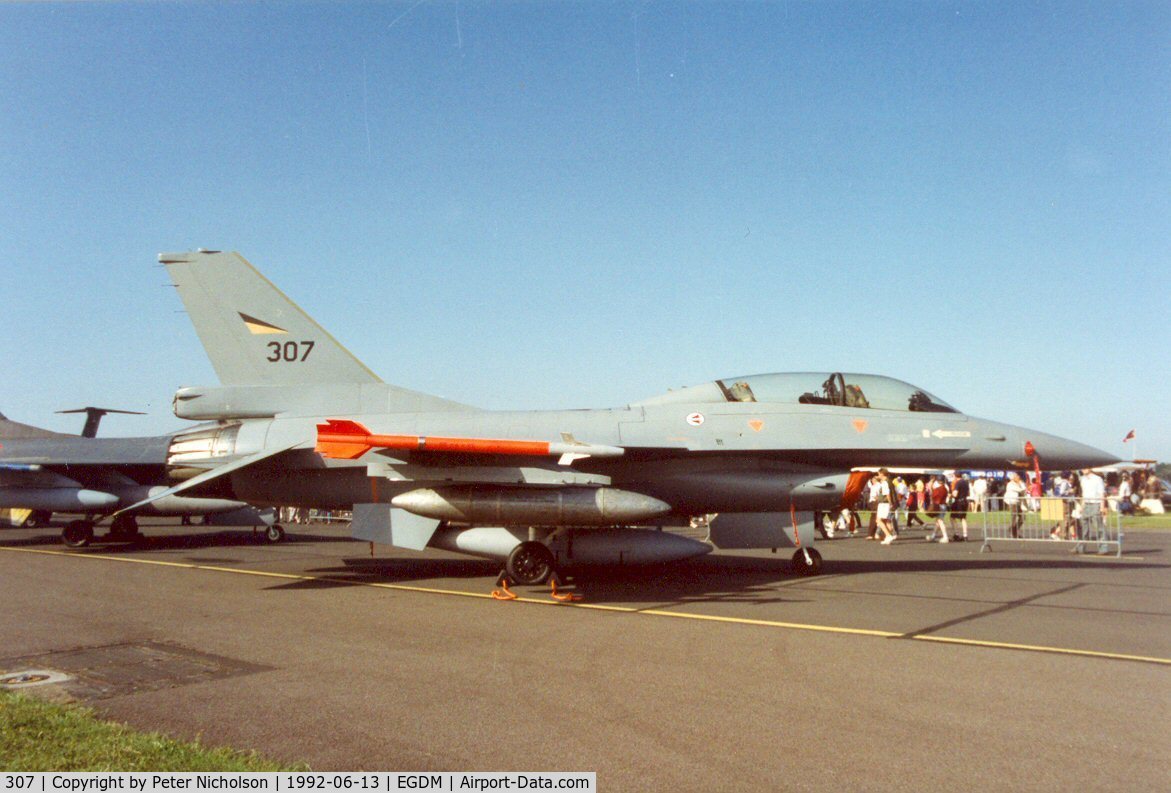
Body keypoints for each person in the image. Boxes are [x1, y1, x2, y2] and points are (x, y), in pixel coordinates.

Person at [1079, 468, 1108, 552]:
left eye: (1086, 467)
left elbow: (1101, 493)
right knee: (1084, 527)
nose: (1084, 469)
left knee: (1099, 527)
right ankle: (1081, 547)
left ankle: (1103, 548)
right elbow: (1084, 494)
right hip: (1086, 504)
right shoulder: (1083, 479)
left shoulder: (1098, 479)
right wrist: (1082, 506)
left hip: (1095, 504)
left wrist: (1102, 507)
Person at [874, 469, 897, 545]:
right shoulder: (889, 481)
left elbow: (887, 494)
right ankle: (888, 537)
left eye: (879, 473)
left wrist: (890, 503)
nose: (878, 475)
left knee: (879, 520)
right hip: (886, 504)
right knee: (887, 521)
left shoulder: (885, 482)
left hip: (884, 503)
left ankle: (888, 535)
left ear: (882, 474)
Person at [925, 475, 950, 542]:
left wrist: (930, 487)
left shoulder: (938, 489)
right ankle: (933, 536)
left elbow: (932, 496)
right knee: (938, 522)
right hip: (943, 505)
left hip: (939, 506)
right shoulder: (945, 488)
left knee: (940, 521)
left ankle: (945, 537)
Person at [1004, 472, 1028, 539]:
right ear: (1014, 477)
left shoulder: (1020, 483)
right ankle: (1013, 533)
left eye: (1019, 477)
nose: (1019, 478)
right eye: (1017, 477)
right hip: (1012, 502)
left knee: (1023, 517)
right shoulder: (1010, 484)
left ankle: (1013, 529)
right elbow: (1021, 490)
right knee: (1014, 517)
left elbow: (1024, 491)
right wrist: (1020, 484)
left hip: (1017, 502)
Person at [949, 471, 970, 541]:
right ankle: (965, 535)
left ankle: (956, 533)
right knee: (963, 518)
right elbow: (968, 493)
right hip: (965, 501)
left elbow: (955, 494)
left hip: (958, 502)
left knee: (952, 517)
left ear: (955, 476)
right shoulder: (966, 482)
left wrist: (950, 495)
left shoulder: (958, 483)